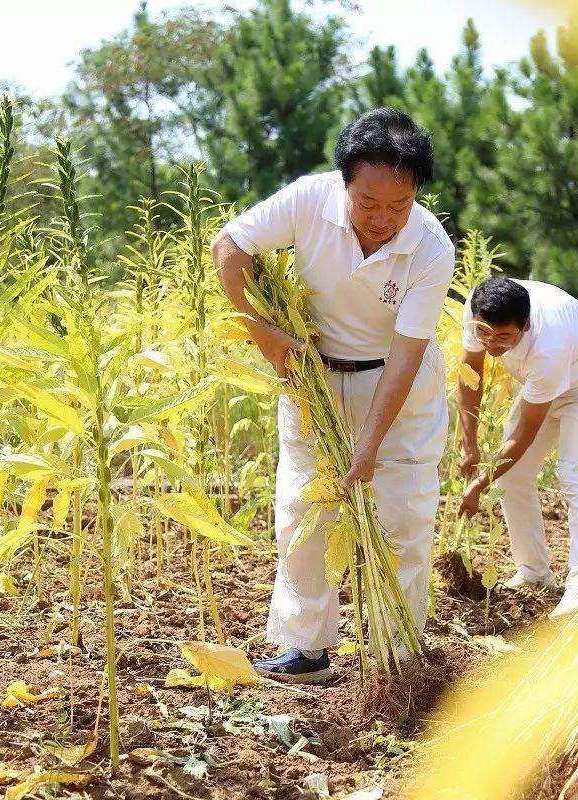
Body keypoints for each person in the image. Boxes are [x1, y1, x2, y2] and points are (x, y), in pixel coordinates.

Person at [211, 108, 454, 683]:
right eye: (367, 204)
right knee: (303, 509)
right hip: (311, 376)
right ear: (343, 181)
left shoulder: (430, 249)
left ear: (417, 194)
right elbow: (229, 248)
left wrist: (368, 445)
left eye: (398, 207)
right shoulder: (305, 200)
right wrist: (261, 331)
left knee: (403, 515)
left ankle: (396, 655)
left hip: (396, 384)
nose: (381, 220)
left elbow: (406, 354)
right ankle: (306, 648)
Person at [456, 276, 578, 620]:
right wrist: (467, 443)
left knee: (576, 474)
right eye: (485, 333)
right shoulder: (478, 307)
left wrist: (478, 484)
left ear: (526, 326)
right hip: (543, 385)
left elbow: (524, 436)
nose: (492, 344)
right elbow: (471, 369)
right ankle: (534, 572)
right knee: (513, 477)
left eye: (504, 337)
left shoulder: (550, 345)